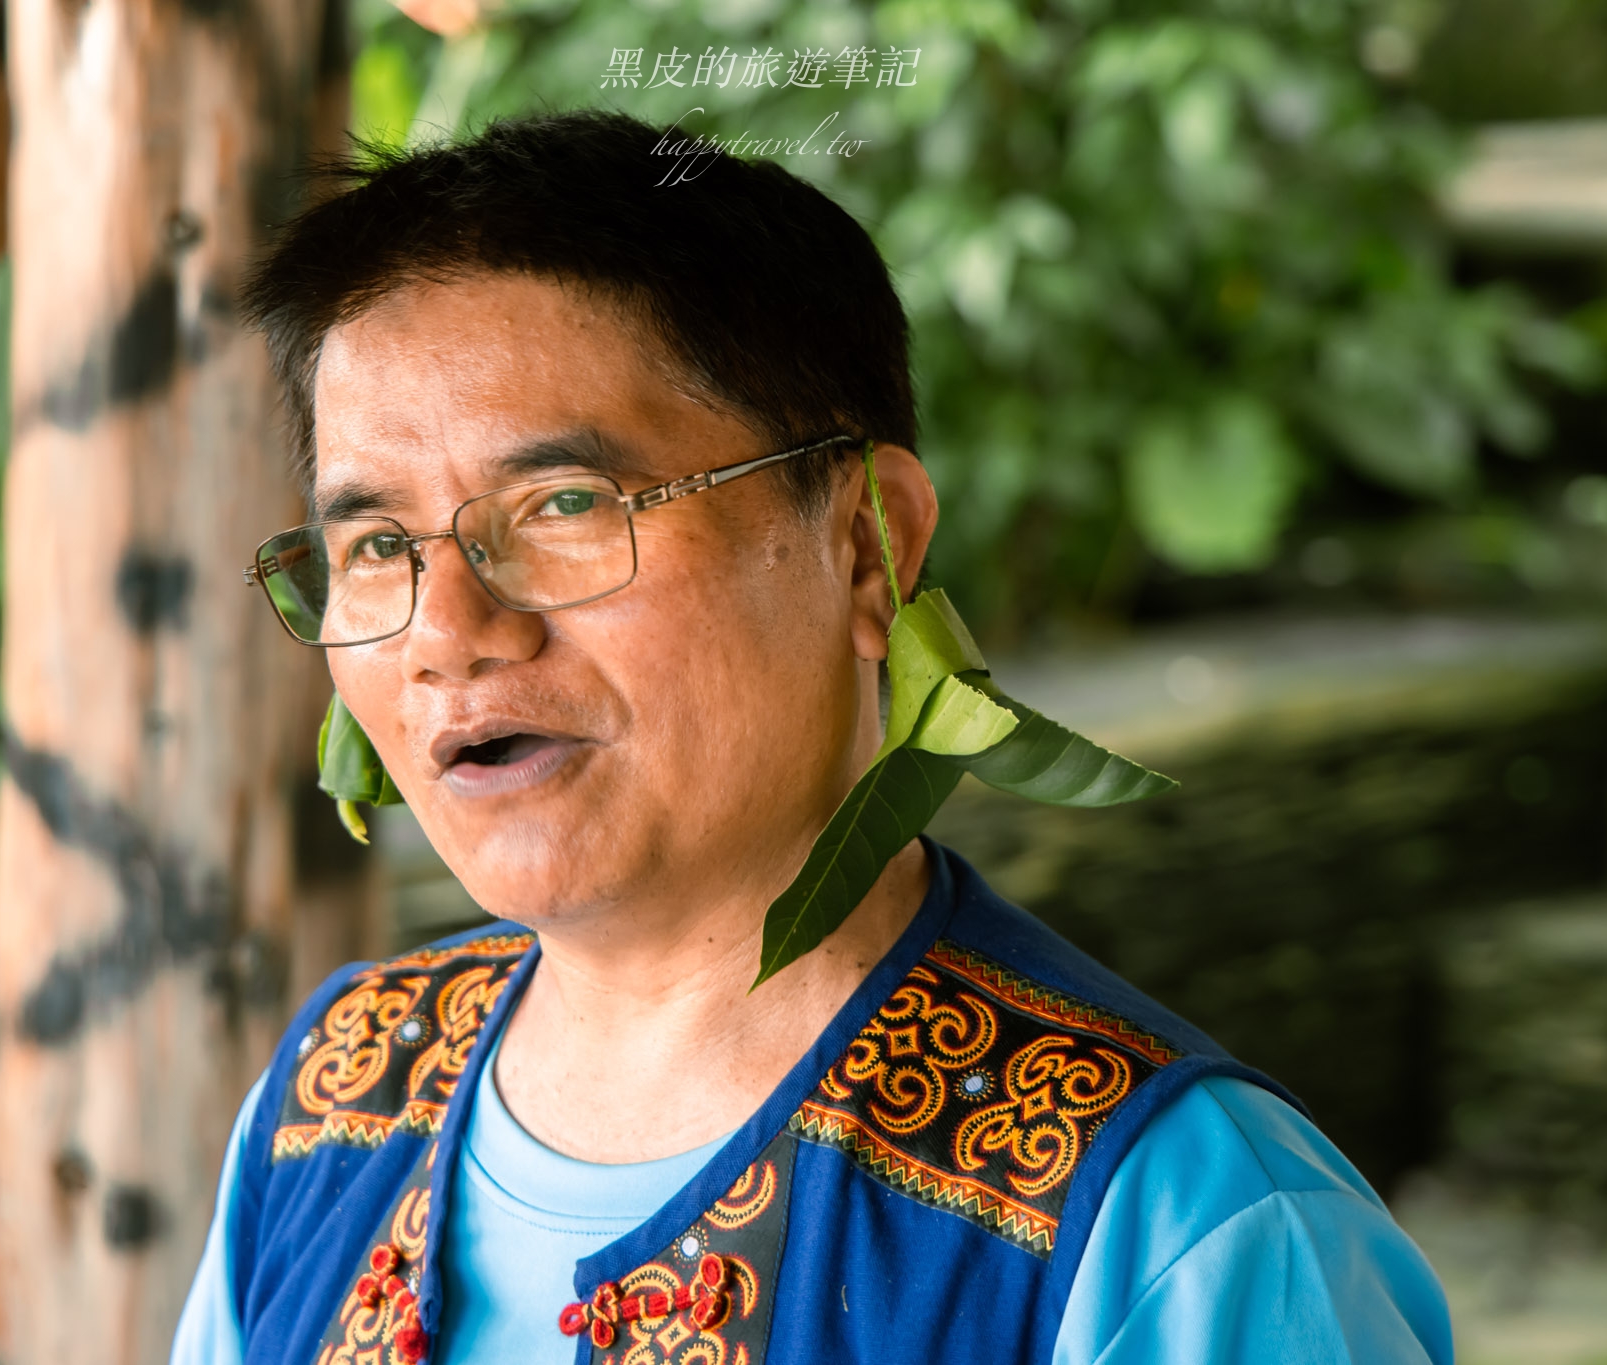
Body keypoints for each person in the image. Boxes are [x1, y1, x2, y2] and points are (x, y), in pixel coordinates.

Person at [171, 110, 1453, 1365]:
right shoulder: (336, 1092)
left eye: (562, 503)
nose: (448, 631)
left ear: (864, 546)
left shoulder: (1171, 1221)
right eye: (376, 546)